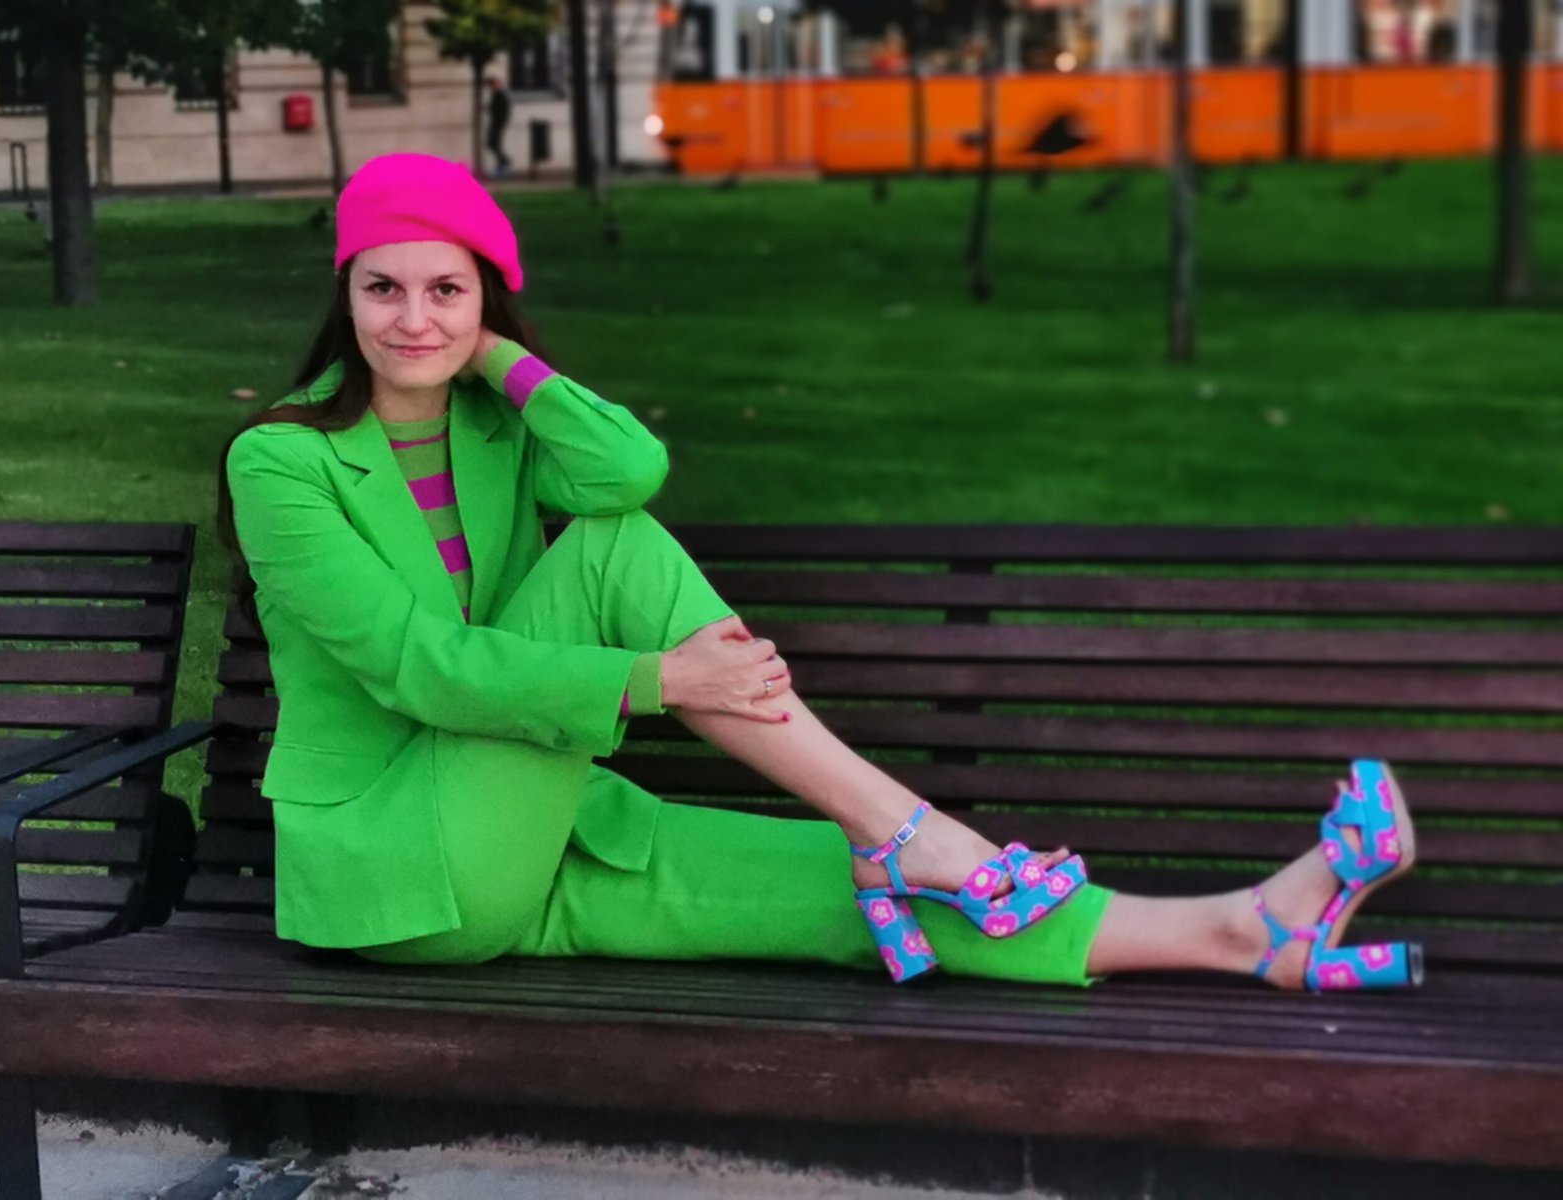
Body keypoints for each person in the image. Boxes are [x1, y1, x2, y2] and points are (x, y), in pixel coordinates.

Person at [218, 152, 1424, 994]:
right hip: (402, 868)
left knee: (858, 900)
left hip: (544, 847)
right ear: (346, 294)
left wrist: (501, 364)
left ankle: (1245, 933)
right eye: (384, 287)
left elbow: (628, 463)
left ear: (485, 302)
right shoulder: (280, 460)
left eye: (447, 289)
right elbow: (416, 668)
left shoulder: (495, 430)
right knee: (610, 558)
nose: (411, 319)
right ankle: (900, 822)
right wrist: (661, 682)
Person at [486, 76, 511, 178]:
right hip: (496, 122)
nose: (493, 87)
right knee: (492, 144)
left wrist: (490, 108)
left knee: (494, 143)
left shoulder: (500, 95)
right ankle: (502, 163)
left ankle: (504, 162)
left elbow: (502, 110)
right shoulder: (496, 94)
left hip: (498, 123)